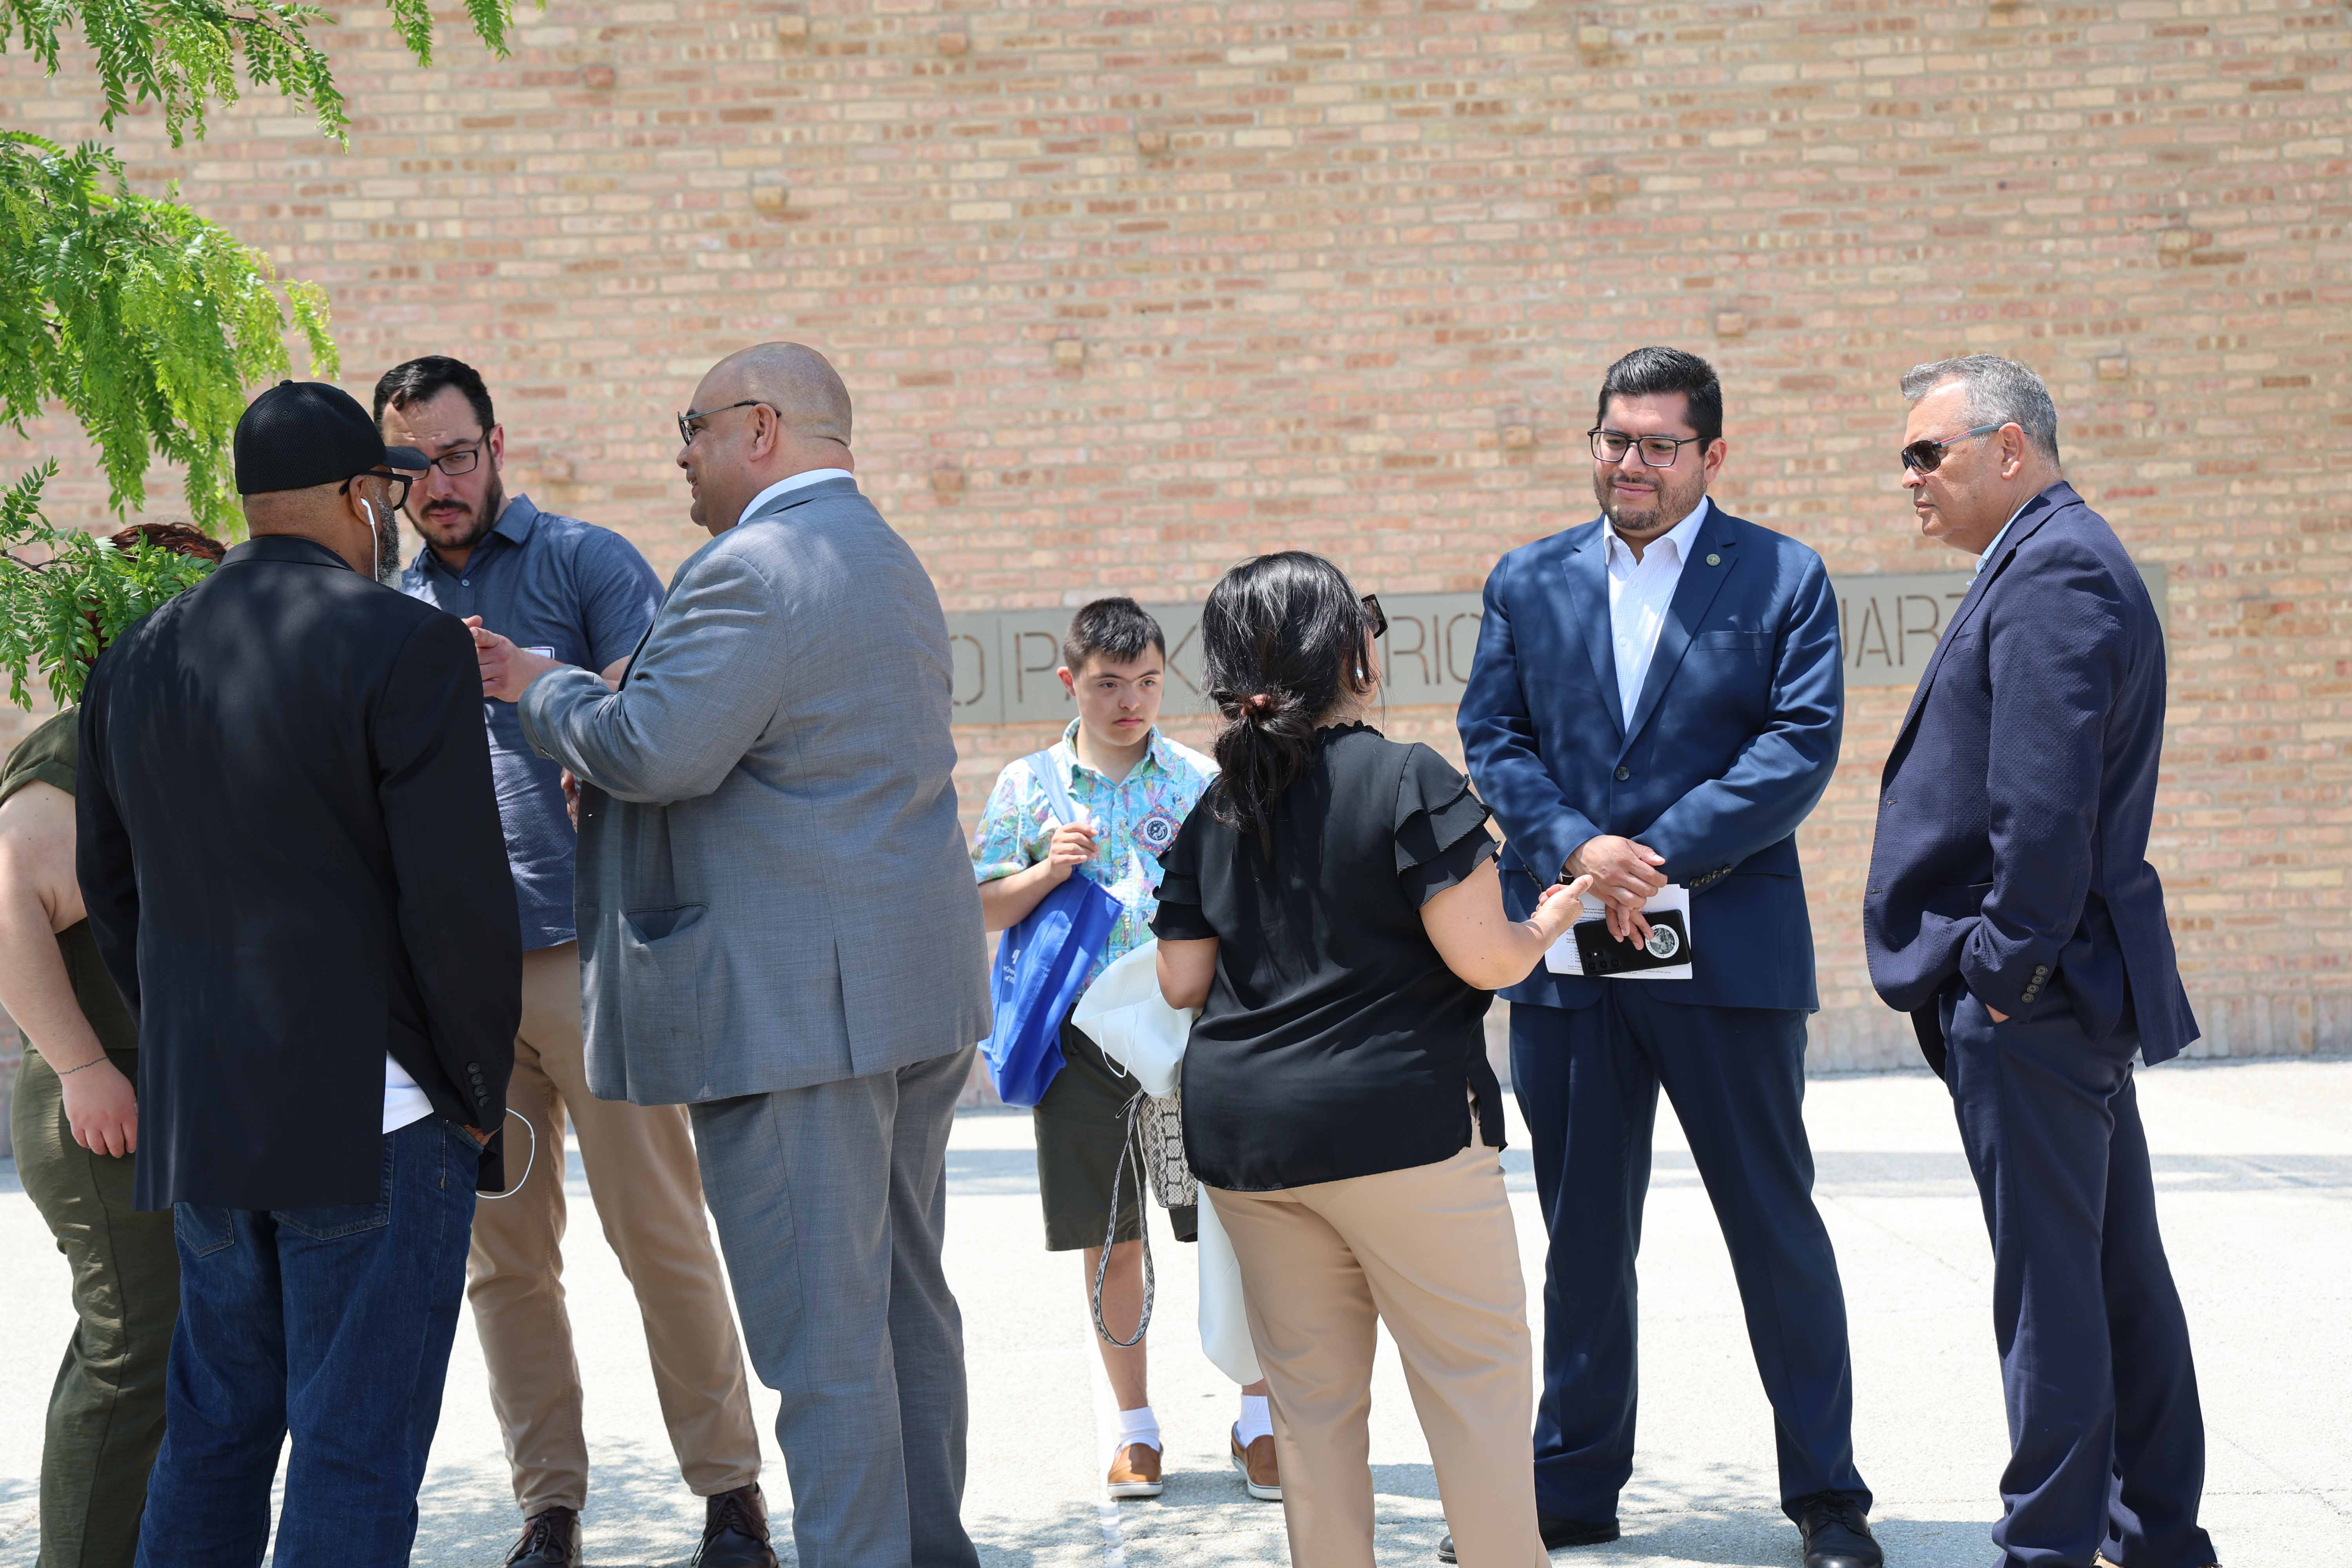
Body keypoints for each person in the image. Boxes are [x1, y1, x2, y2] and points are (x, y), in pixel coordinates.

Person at [475, 341, 990, 1568]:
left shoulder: (750, 567)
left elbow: (656, 752)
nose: (681, 461)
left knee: (825, 1345)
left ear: (760, 428)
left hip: (800, 1012)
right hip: (905, 990)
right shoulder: (884, 557)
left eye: (691, 432)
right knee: (905, 1307)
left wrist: (543, 690)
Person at [74, 380, 522, 1564]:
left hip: (208, 1110)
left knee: (214, 1435)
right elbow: (457, 899)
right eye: (384, 492)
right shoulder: (405, 641)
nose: (389, 516)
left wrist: (178, 1038)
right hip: (375, 1111)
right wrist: (477, 1096)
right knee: (353, 1449)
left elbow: (113, 891)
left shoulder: (134, 659)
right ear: (354, 496)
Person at [1456, 346, 1877, 1568]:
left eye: (1657, 445)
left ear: (1712, 456)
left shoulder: (1784, 579)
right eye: (1612, 439)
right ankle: (1573, 1488)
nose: (1628, 463)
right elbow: (1496, 735)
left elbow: (1799, 748)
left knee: (1773, 1227)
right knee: (1584, 1238)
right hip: (1572, 961)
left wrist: (1656, 856)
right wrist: (1585, 851)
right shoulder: (1527, 581)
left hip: (1729, 956)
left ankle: (1828, 1499)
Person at [376, 354, 769, 1568]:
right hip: (457, 987)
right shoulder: (389, 610)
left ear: (496, 445)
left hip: (595, 961)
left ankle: (731, 1495)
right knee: (506, 1264)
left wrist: (557, 691)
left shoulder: (585, 563)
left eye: (453, 455)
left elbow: (662, 706)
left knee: (660, 1236)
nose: (436, 486)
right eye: (410, 468)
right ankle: (549, 1508)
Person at [1150, 551, 1590, 1568]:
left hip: (1253, 1144)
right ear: (1348, 648)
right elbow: (1485, 957)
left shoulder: (1215, 808)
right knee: (1474, 1391)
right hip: (1405, 1131)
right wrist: (1546, 921)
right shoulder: (1409, 781)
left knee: (1309, 1415)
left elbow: (1180, 979)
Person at [1865, 355, 2219, 1568]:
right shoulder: (2045, 559)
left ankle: (2052, 1548)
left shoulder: (2057, 570)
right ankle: (2158, 1535)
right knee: (2113, 1278)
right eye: (1906, 455)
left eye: (1930, 453)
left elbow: (2043, 811)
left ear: (2009, 449)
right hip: (2061, 995)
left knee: (2054, 1299)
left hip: (2039, 1000)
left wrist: (2000, 980)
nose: (1909, 477)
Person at [970, 596, 1278, 1504]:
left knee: (1234, 1227)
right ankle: (1135, 1429)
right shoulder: (1030, 786)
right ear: (1072, 682)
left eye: (1146, 682)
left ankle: (1257, 1417)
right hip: (1082, 1043)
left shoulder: (1198, 776)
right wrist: (1047, 869)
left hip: (1194, 1032)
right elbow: (984, 903)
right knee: (1112, 1242)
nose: (1129, 702)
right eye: (1108, 685)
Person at [0, 524, 222, 1568]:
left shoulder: (158, 740)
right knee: (132, 1357)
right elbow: (7, 903)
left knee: (171, 1351)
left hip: (153, 1098)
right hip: (100, 1104)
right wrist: (86, 1066)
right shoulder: (79, 743)